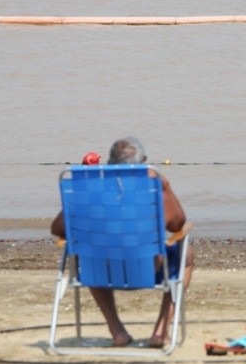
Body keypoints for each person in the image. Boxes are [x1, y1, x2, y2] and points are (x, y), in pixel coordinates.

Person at [50, 137, 194, 348]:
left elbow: (57, 229)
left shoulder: (91, 188)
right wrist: (166, 186)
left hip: (98, 272)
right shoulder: (153, 186)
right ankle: (161, 332)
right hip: (148, 269)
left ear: (109, 161)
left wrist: (81, 195)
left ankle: (117, 331)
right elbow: (177, 223)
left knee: (89, 251)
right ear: (144, 161)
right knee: (186, 253)